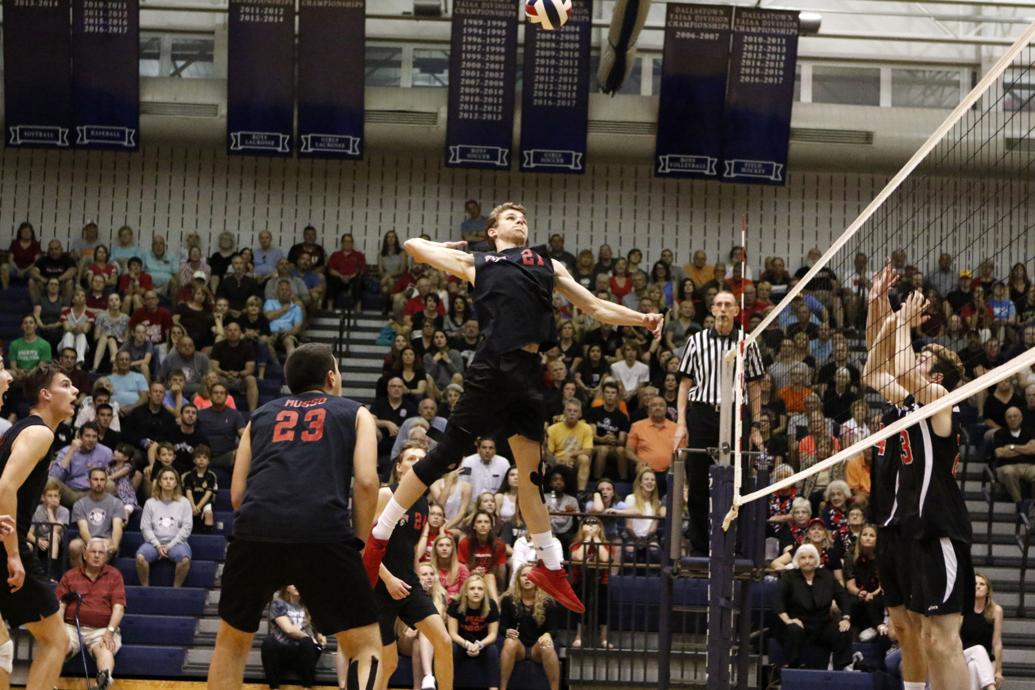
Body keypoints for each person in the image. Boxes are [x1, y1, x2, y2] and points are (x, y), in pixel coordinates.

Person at [364, 202, 662, 614]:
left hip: (527, 372)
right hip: (492, 365)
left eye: (523, 216)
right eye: (510, 217)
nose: (520, 219)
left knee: (531, 477)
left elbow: (595, 307)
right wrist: (448, 246)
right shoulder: (479, 262)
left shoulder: (548, 264)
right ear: (492, 231)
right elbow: (414, 246)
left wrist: (641, 319)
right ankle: (379, 536)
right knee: (447, 455)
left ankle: (551, 567)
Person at [206, 343, 382, 690]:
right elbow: (365, 481)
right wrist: (359, 544)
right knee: (364, 645)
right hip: (323, 531)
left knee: (231, 643)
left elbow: (238, 494)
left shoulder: (260, 417)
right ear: (332, 377)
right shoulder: (356, 412)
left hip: (256, 529)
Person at [864, 264, 972, 690]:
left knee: (943, 641)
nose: (916, 357)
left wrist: (904, 325)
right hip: (910, 528)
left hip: (939, 528)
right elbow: (875, 370)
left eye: (926, 358)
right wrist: (884, 313)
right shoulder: (911, 406)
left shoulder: (943, 401)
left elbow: (903, 369)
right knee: (918, 633)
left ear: (938, 376)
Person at [0, 361, 80, 689]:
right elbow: (5, 487)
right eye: (66, 385)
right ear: (45, 395)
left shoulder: (21, 431)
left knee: (3, 650)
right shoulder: (40, 432)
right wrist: (14, 554)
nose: (75, 391)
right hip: (6, 543)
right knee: (56, 641)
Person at [673, 290, 765, 556]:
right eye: (719, 305)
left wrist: (756, 426)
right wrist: (681, 422)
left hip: (737, 414)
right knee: (699, 484)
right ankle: (700, 549)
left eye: (728, 305)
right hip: (702, 414)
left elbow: (756, 385)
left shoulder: (748, 342)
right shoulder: (696, 341)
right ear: (712, 310)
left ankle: (734, 547)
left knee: (739, 483)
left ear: (737, 311)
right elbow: (684, 384)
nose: (723, 309)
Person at [372, 443, 453, 690]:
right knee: (388, 665)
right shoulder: (385, 495)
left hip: (408, 585)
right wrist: (388, 579)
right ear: (398, 466)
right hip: (379, 587)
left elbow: (410, 551)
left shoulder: (423, 504)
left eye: (421, 458)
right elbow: (364, 546)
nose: (417, 461)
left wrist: (421, 579)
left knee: (444, 641)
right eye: (411, 458)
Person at [55, 537, 125, 690]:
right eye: (93, 552)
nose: (97, 555)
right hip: (71, 627)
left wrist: (109, 632)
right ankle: (49, 683)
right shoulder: (70, 575)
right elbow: (60, 605)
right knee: (58, 645)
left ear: (105, 556)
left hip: (101, 629)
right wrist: (59, 629)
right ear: (85, 555)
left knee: (105, 649)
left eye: (101, 552)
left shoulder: (114, 575)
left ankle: (103, 682)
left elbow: (119, 607)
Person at [775, 543, 853, 670]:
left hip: (823, 624)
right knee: (793, 630)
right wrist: (788, 620)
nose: (807, 561)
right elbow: (778, 601)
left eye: (811, 557)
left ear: (816, 560)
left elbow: (842, 596)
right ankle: (794, 667)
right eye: (803, 558)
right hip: (799, 623)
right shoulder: (788, 577)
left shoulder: (826, 575)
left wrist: (846, 618)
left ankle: (841, 669)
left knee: (844, 631)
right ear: (797, 560)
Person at [499, 563, 562, 690]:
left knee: (547, 645)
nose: (527, 578)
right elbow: (502, 627)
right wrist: (508, 631)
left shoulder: (547, 601)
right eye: (523, 576)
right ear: (518, 580)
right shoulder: (508, 600)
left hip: (537, 648)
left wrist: (547, 634)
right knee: (510, 643)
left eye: (531, 575)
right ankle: (502, 687)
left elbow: (553, 629)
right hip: (519, 647)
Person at [261, 585, 327, 690]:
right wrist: (310, 638)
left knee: (307, 643)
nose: (297, 585)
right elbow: (289, 630)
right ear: (286, 587)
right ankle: (274, 687)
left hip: (303, 653)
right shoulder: (278, 602)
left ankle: (307, 686)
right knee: (268, 643)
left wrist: (320, 635)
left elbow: (317, 624)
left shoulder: (308, 603)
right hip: (283, 651)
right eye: (293, 583)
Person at [135, 467, 193, 587]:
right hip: (154, 543)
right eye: (165, 478)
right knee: (140, 558)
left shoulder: (184, 502)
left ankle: (176, 589)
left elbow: (187, 528)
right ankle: (145, 588)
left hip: (177, 543)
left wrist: (170, 545)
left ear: (176, 482)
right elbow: (145, 527)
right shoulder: (150, 503)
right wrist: (157, 544)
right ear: (160, 482)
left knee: (185, 560)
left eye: (171, 479)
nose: (168, 481)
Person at [446, 575, 499, 690]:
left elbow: (493, 635)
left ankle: (494, 688)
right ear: (465, 592)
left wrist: (479, 645)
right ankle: (447, 686)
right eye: (472, 588)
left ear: (485, 592)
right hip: (461, 643)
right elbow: (452, 634)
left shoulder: (491, 605)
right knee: (452, 648)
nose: (476, 592)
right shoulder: (455, 605)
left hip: (482, 644)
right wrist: (467, 644)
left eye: (480, 589)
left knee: (493, 650)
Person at [68, 467, 125, 567]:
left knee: (105, 547)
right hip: (87, 541)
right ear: (89, 481)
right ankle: (79, 578)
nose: (99, 483)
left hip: (107, 540)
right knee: (74, 546)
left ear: (106, 482)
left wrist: (115, 545)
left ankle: (95, 580)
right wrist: (93, 545)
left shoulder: (117, 503)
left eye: (102, 480)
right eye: (95, 479)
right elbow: (83, 529)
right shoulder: (79, 504)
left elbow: (117, 528)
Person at [49, 423, 114, 508]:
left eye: (94, 437)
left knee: (110, 485)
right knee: (49, 481)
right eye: (87, 436)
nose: (91, 440)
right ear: (80, 436)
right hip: (71, 493)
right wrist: (71, 451)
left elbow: (111, 474)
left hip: (93, 492)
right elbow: (54, 477)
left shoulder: (106, 452)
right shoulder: (67, 451)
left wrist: (99, 471)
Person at [960, 573, 1004, 690]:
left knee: (973, 667)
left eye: (982, 584)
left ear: (988, 590)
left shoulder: (996, 610)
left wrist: (998, 671)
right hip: (964, 655)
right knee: (978, 649)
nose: (978, 586)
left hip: (986, 659)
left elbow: (997, 643)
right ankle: (991, 687)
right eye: (975, 584)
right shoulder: (963, 609)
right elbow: (955, 638)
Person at [545, 400, 593, 493]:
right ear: (564, 412)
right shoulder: (552, 429)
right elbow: (549, 452)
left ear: (580, 414)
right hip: (557, 461)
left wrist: (570, 455)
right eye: (569, 410)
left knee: (584, 458)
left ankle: (581, 492)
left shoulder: (586, 428)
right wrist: (558, 460)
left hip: (575, 462)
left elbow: (588, 450)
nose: (572, 413)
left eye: (575, 411)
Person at [182, 446, 218, 532]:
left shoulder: (211, 476)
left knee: (209, 513)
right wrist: (193, 506)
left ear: (209, 461)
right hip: (191, 501)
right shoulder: (188, 476)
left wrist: (198, 507)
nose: (201, 460)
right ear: (194, 460)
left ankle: (207, 536)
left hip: (205, 502)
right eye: (198, 457)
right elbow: (188, 493)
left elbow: (208, 494)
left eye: (205, 457)